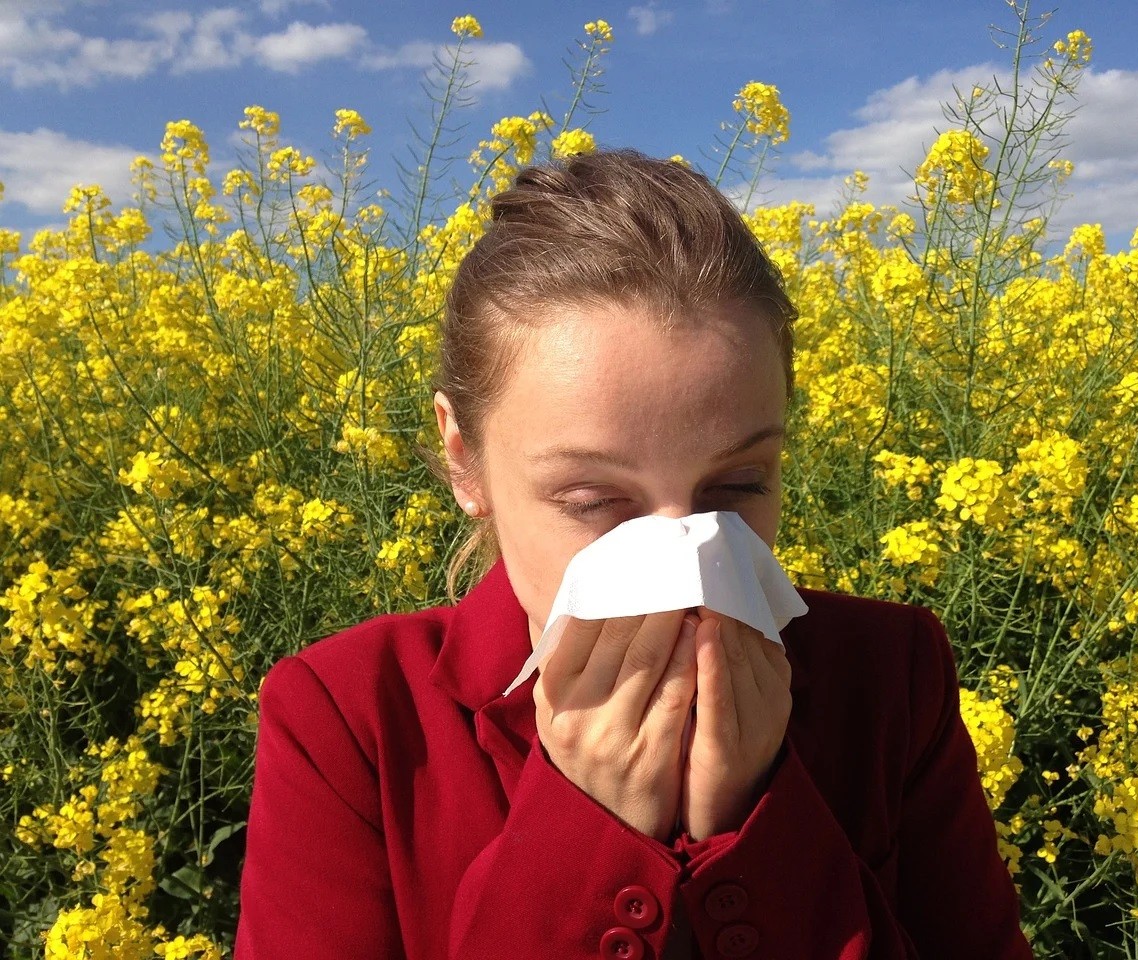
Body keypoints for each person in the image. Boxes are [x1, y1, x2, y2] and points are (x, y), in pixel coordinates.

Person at [234, 148, 1033, 959]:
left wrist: (757, 818)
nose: (685, 563)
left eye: (738, 487)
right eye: (593, 501)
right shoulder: (352, 719)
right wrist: (588, 828)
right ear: (464, 461)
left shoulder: (888, 677)